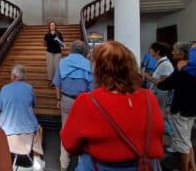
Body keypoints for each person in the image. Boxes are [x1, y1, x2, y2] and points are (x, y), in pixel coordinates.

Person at [60, 41, 164, 171]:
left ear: (99, 69)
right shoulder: (149, 97)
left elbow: (70, 144)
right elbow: (157, 135)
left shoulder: (87, 101)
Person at [157, 42, 196, 171]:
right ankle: (192, 168)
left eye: (174, 50)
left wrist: (160, 80)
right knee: (186, 141)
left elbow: (164, 85)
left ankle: (184, 169)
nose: (172, 52)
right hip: (193, 109)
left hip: (181, 110)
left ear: (181, 53)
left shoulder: (181, 70)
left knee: (182, 144)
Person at [52, 40, 94, 170]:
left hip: (66, 99)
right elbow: (92, 88)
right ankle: (82, 164)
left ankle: (64, 164)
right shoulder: (89, 64)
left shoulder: (62, 62)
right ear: (83, 51)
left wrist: (58, 99)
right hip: (83, 101)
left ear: (72, 50)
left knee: (65, 130)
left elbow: (57, 84)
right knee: (83, 132)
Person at [0, 64, 45, 170]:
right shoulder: (29, 88)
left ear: (13, 76)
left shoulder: (5, 89)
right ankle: (36, 159)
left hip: (7, 133)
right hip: (28, 133)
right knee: (39, 129)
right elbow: (33, 103)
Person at [143, 42, 174, 111]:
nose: (149, 50)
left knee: (160, 114)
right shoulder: (161, 62)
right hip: (158, 94)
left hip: (162, 96)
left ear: (157, 52)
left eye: (151, 49)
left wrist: (149, 77)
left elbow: (163, 84)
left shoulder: (165, 64)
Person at [44, 21, 64, 87]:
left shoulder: (59, 34)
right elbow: (45, 44)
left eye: (53, 25)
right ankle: (50, 81)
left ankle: (56, 81)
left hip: (57, 52)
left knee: (56, 66)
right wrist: (44, 43)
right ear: (49, 27)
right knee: (50, 67)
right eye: (51, 25)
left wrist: (58, 39)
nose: (52, 26)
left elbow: (62, 45)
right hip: (49, 52)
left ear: (55, 26)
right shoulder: (46, 34)